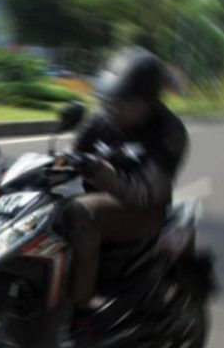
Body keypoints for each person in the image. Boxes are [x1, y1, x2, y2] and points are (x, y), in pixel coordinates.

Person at [63, 48, 189, 310]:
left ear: (146, 102)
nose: (113, 108)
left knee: (79, 211)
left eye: (122, 102)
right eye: (110, 100)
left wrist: (102, 171)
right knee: (44, 210)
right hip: (101, 200)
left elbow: (144, 193)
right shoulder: (100, 119)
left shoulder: (169, 132)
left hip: (143, 211)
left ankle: (80, 303)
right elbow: (71, 153)